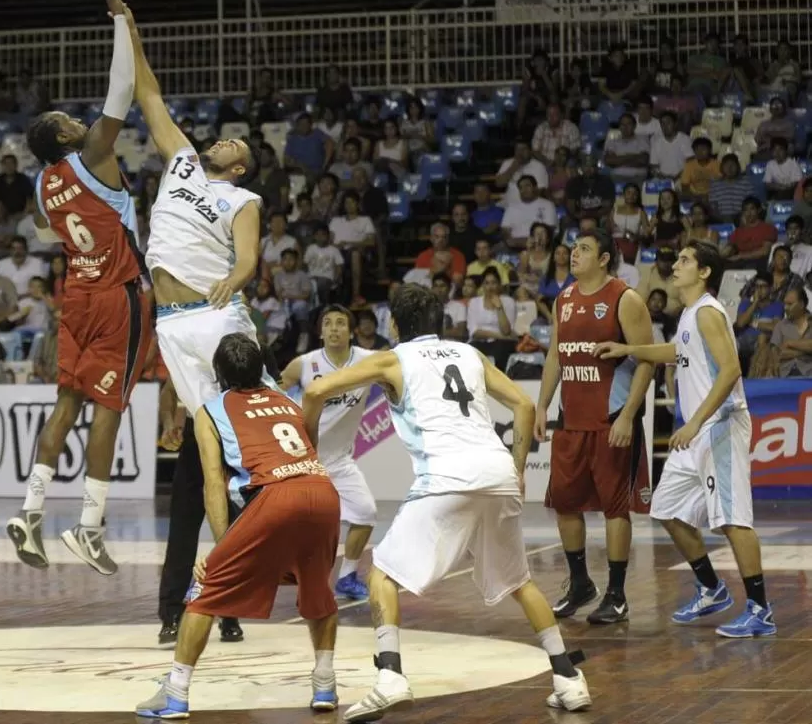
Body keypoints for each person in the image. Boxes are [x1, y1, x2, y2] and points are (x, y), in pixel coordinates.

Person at [302, 284, 591, 721]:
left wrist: (307, 450)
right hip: (496, 473)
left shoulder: (391, 359)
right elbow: (524, 405)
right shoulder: (470, 354)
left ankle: (390, 677)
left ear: (394, 325)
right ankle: (569, 679)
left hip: (447, 476)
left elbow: (313, 393)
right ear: (440, 323)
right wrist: (516, 469)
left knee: (381, 575)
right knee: (519, 582)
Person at [126, 5, 275, 645]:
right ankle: (214, 600)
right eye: (224, 137)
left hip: (218, 323)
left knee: (238, 462)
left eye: (235, 144)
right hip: (174, 326)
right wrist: (127, 27)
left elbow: (247, 259)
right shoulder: (183, 161)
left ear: (240, 167)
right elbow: (148, 93)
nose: (224, 139)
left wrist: (237, 281)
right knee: (200, 462)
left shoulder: (244, 198)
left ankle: (219, 594)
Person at [5, 0, 153, 576]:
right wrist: (120, 19)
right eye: (68, 119)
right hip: (118, 295)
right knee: (108, 412)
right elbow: (123, 89)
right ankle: (89, 527)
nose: (76, 118)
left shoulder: (42, 185)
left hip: (77, 297)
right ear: (64, 136)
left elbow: (46, 231)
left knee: (64, 406)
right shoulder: (93, 153)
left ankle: (30, 509)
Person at [135, 334, 341, 719]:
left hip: (275, 496)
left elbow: (214, 484)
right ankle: (326, 684)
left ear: (218, 374)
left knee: (205, 588)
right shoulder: (286, 400)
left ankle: (176, 692)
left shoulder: (210, 412)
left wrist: (221, 548)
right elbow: (308, 449)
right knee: (318, 591)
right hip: (322, 491)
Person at [593, 240, 776, 638]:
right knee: (666, 508)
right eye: (676, 258)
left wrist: (694, 423)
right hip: (697, 431)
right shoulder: (691, 314)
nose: (675, 265)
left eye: (685, 260)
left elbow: (730, 372)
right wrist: (628, 347)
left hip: (719, 425)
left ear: (705, 271)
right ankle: (711, 588)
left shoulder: (709, 312)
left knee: (733, 520)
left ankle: (761, 610)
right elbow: (677, 350)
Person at [535, 228, 655, 624]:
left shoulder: (625, 298)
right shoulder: (564, 298)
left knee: (614, 509)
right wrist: (541, 405)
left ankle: (617, 595)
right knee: (565, 504)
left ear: (604, 258)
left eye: (584, 249)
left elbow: (647, 361)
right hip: (572, 421)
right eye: (573, 249)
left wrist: (627, 415)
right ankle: (580, 582)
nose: (574, 255)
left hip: (611, 420)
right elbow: (556, 352)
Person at [280, 305, 377, 600]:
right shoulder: (304, 365)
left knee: (366, 513)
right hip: (304, 461)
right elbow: (276, 391)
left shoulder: (368, 361)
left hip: (341, 461)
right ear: (320, 333)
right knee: (303, 527)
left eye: (340, 323)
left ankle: (347, 577)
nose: (334, 328)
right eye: (328, 324)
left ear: (351, 332)